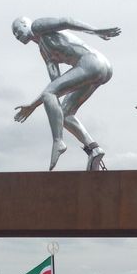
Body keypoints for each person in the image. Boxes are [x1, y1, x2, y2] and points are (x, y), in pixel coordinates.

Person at [11, 15, 120, 170]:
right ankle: (93, 149)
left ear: (25, 23)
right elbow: (54, 87)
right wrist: (33, 105)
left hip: (91, 62)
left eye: (17, 30)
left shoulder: (38, 26)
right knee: (64, 114)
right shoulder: (45, 52)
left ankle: (58, 141)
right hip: (100, 69)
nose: (17, 36)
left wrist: (95, 31)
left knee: (51, 95)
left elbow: (66, 22)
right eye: (14, 35)